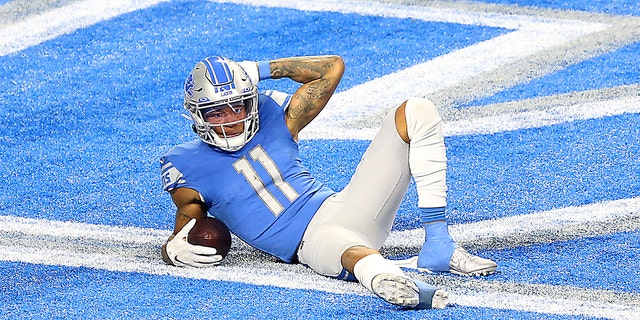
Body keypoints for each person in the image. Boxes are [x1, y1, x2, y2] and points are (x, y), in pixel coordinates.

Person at [160, 55, 497, 310]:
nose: (229, 120)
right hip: (309, 243)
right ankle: (390, 280)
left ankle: (439, 244)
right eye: (215, 112)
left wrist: (260, 69)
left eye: (236, 106)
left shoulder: (275, 117)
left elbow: (332, 68)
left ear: (250, 100)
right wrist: (172, 249)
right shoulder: (187, 165)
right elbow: (185, 233)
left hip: (345, 206)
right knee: (344, 247)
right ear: (197, 115)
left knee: (416, 110)